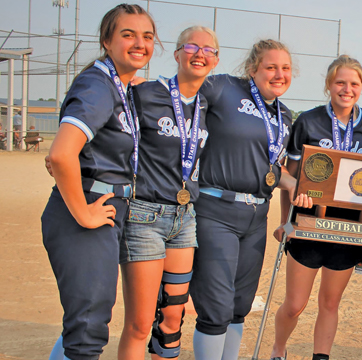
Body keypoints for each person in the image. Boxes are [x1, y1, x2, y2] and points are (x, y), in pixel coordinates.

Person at [41, 4, 156, 360]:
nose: (139, 43)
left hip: (109, 207)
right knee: (88, 329)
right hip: (88, 210)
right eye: (128, 35)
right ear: (106, 41)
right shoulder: (97, 84)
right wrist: (84, 213)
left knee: (87, 321)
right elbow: (61, 155)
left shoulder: (118, 85)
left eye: (147, 36)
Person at [188, 39, 311, 360]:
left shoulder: (283, 115)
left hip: (257, 215)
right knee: (215, 305)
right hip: (216, 210)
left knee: (240, 304)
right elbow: (181, 94)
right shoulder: (223, 88)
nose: (279, 74)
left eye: (285, 69)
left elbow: (272, 170)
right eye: (271, 67)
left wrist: (300, 186)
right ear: (252, 69)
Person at [269, 55, 362, 360]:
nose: (346, 89)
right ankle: (278, 348)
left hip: (349, 225)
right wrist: (286, 220)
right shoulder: (308, 120)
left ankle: (320, 356)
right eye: (340, 82)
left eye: (353, 84)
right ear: (329, 85)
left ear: (361, 87)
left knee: (330, 302)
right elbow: (291, 177)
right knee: (296, 304)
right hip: (309, 219)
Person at [116, 26, 217, 360]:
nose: (200, 53)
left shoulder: (205, 104)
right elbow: (107, 127)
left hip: (184, 220)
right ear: (176, 54)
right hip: (144, 215)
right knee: (141, 322)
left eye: (209, 49)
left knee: (173, 317)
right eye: (191, 46)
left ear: (215, 61)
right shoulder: (144, 93)